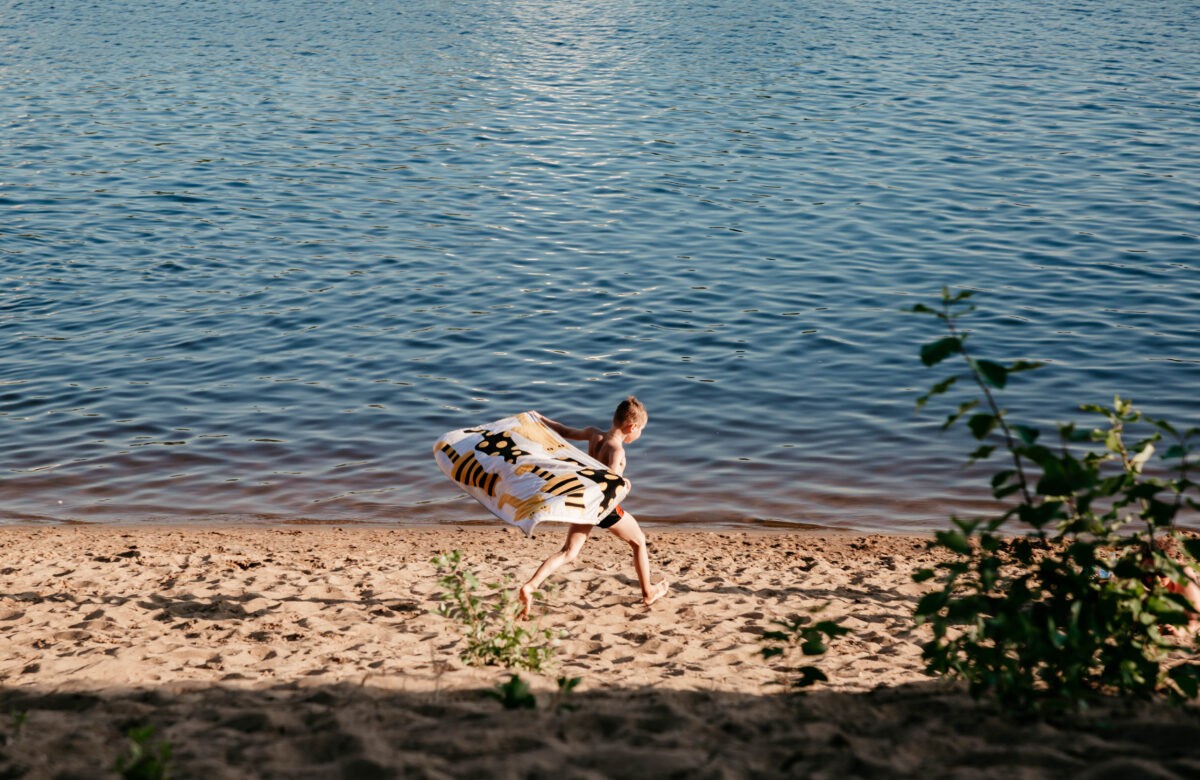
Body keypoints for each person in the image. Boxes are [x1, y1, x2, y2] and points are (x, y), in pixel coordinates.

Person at [517, 396, 669, 619]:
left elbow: (564, 431)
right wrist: (625, 486)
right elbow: (609, 488)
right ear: (632, 426)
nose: (639, 435)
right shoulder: (617, 451)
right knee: (638, 541)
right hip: (602, 508)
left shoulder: (593, 434)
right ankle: (648, 592)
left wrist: (539, 419)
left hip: (584, 504)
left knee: (568, 552)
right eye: (641, 430)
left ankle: (531, 585)